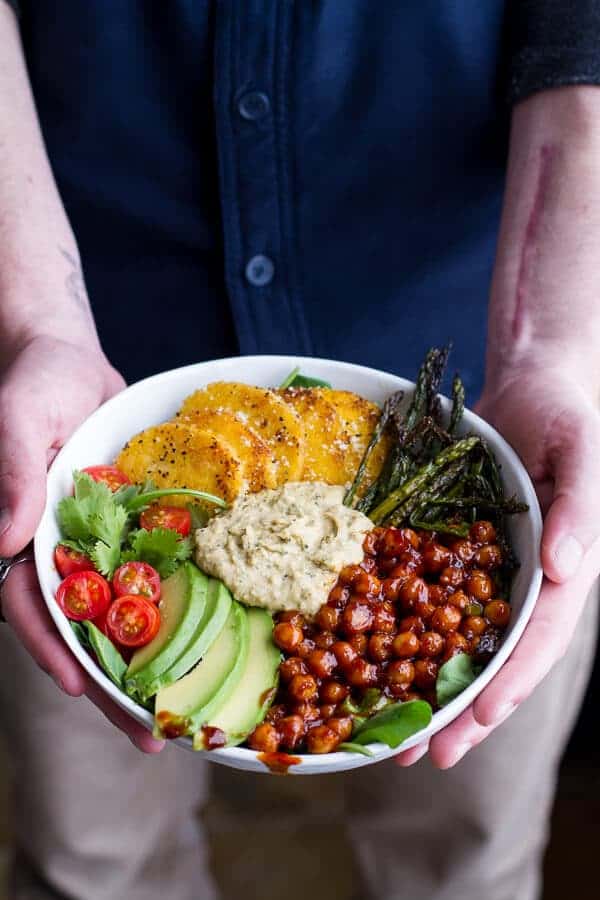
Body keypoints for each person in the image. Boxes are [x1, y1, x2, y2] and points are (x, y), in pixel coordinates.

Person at [0, 2, 599, 899]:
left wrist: (549, 350)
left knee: (470, 865)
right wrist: (36, 321)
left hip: (472, 371)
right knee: (90, 863)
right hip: (84, 347)